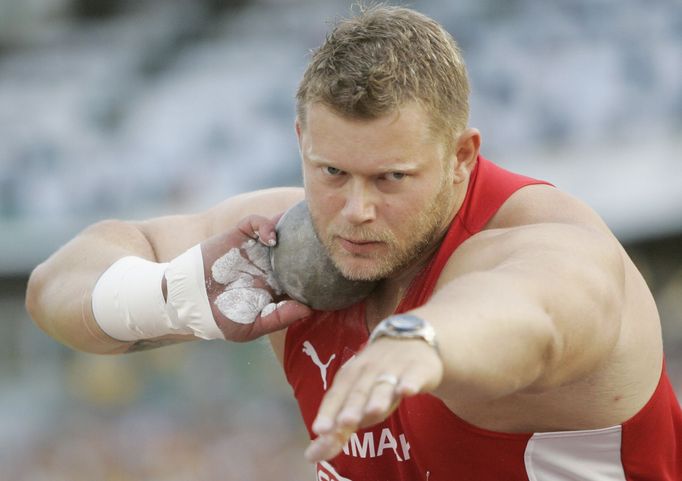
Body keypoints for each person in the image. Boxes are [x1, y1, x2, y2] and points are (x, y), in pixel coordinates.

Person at [25, 5, 681, 481]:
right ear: (302, 145)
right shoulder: (282, 243)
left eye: (392, 178)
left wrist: (420, 342)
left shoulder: (542, 242)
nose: (356, 210)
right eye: (332, 171)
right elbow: (57, 282)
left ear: (461, 156)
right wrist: (171, 294)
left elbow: (528, 310)